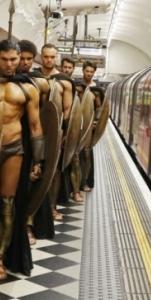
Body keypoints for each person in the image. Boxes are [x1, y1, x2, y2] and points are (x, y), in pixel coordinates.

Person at [0, 40, 43, 280]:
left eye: (14, 59)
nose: (10, 64)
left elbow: (35, 126)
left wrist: (39, 161)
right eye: (5, 59)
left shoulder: (28, 87)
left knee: (7, 204)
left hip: (13, 148)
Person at [16, 39, 54, 243]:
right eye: (22, 58)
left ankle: (28, 224)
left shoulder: (39, 81)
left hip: (31, 135)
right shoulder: (7, 79)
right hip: (11, 134)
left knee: (32, 182)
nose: (26, 63)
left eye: (29, 59)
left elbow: (45, 112)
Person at [39, 44, 75, 221]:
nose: (49, 60)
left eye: (52, 57)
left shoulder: (64, 81)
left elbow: (67, 109)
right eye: (46, 56)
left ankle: (52, 207)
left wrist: (63, 131)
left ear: (56, 58)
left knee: (54, 171)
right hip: (36, 131)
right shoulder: (32, 77)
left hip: (56, 132)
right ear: (41, 56)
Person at [79, 62, 99, 192]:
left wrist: (96, 122)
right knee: (75, 155)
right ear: (83, 71)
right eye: (87, 71)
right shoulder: (77, 86)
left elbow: (99, 108)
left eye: (91, 72)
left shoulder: (96, 89)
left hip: (89, 125)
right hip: (76, 123)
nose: (89, 74)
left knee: (86, 153)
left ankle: (85, 181)